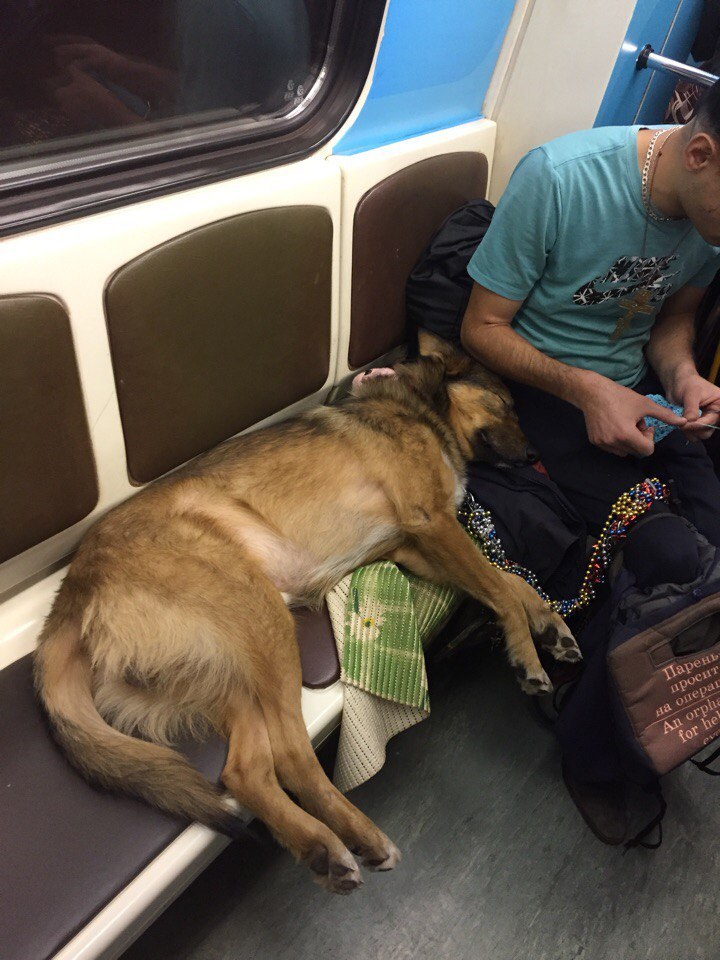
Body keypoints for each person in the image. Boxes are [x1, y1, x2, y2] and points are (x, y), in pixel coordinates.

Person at [459, 82, 720, 840]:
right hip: (539, 391)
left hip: (636, 393)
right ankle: (594, 753)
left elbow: (670, 326)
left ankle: (652, 691)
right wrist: (585, 391)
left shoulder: (707, 218)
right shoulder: (561, 178)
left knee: (710, 535)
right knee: (669, 553)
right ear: (700, 154)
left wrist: (685, 379)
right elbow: (482, 328)